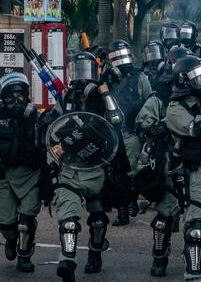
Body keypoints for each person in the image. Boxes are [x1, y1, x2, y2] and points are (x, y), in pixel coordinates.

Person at [45, 51, 124, 282]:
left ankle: (95, 253)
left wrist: (105, 92)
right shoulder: (65, 98)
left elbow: (118, 120)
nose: (81, 78)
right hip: (70, 166)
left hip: (97, 166)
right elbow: (53, 126)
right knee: (69, 221)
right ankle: (67, 261)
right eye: (76, 72)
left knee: (98, 221)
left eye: (85, 71)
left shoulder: (103, 97)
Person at [165, 55, 201, 281]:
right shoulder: (175, 109)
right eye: (197, 78)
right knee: (195, 226)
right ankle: (193, 274)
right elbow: (197, 128)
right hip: (191, 172)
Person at [105, 39, 152, 226]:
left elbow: (150, 101)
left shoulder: (140, 78)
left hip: (132, 132)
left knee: (131, 173)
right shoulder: (108, 78)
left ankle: (131, 200)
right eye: (115, 57)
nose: (120, 61)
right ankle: (123, 210)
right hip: (113, 132)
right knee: (116, 175)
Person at [0, 73, 43, 272]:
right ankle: (10, 240)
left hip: (29, 174)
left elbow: (46, 145)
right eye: (11, 96)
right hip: (4, 176)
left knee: (26, 220)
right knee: (7, 223)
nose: (16, 101)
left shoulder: (34, 117)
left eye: (20, 95)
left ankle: (24, 256)